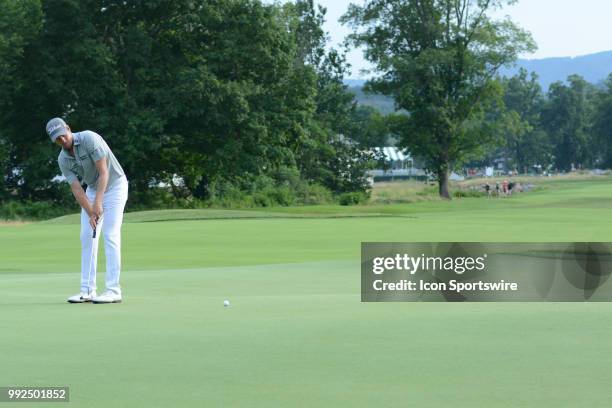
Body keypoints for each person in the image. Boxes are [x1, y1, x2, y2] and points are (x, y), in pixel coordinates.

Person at [46, 118, 128, 304]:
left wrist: (98, 203)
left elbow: (104, 172)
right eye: (57, 140)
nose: (62, 141)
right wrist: (91, 211)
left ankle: (113, 290)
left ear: (68, 128)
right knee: (87, 236)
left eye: (63, 136)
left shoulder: (90, 138)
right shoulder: (62, 159)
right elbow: (76, 188)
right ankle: (88, 290)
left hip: (115, 186)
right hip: (92, 189)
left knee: (110, 234)